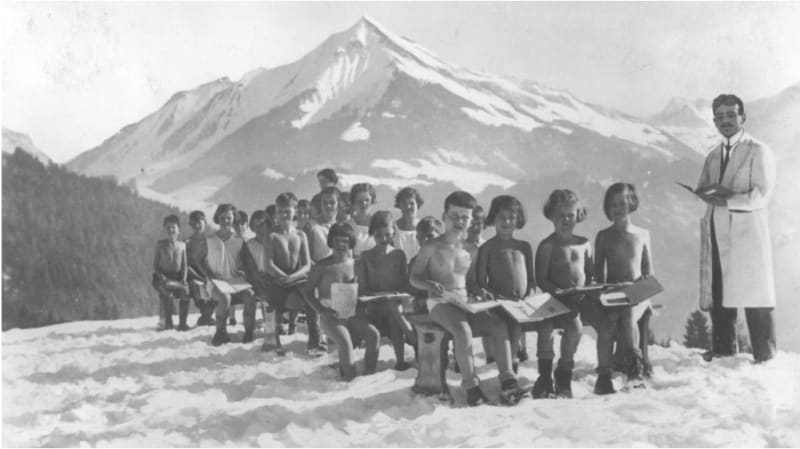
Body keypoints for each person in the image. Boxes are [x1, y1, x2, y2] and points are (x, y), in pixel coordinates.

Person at [410, 191, 525, 406]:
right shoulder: (432, 247)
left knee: (498, 325)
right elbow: (414, 277)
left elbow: (470, 282)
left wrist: (480, 292)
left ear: (472, 220)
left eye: (465, 217)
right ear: (444, 216)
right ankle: (471, 386)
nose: (459, 221)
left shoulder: (471, 249)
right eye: (454, 216)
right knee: (463, 331)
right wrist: (428, 285)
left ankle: (508, 381)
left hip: (464, 302)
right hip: (440, 303)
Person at [697, 94, 777, 363]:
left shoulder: (757, 150)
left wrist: (728, 200)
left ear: (743, 117)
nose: (725, 121)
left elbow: (762, 194)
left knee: (755, 292)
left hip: (747, 231)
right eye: (720, 117)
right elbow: (705, 185)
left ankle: (765, 354)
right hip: (718, 230)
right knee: (720, 290)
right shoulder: (712, 156)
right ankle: (723, 350)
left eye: (731, 115)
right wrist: (705, 194)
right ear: (714, 121)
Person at [588, 183, 653, 394]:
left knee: (627, 313)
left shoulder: (642, 234)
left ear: (631, 203)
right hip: (613, 293)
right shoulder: (603, 236)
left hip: (637, 293)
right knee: (611, 319)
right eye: (612, 204)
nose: (617, 208)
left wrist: (636, 288)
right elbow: (598, 275)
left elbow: (648, 273)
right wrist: (605, 290)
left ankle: (634, 370)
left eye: (622, 203)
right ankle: (604, 376)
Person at [302, 222, 381, 380]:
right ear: (330, 241)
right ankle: (348, 380)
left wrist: (362, 301)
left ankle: (369, 375)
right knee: (345, 343)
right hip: (331, 316)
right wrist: (322, 311)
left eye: (345, 241)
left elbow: (363, 290)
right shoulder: (322, 266)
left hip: (353, 314)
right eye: (337, 240)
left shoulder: (357, 264)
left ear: (351, 243)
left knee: (374, 335)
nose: (341, 245)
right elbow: (307, 292)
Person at [533, 189, 591, 399]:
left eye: (570, 214)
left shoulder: (584, 243)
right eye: (561, 215)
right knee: (545, 329)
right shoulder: (548, 245)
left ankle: (564, 372)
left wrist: (586, 291)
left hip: (576, 300)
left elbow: (589, 273)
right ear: (552, 216)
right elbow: (541, 278)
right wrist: (555, 291)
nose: (566, 219)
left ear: (578, 215)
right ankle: (545, 376)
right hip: (552, 300)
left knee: (575, 329)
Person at [472, 195, 532, 369]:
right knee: (510, 328)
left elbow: (532, 280)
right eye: (501, 217)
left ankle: (511, 364)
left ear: (518, 219)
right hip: (499, 304)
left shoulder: (524, 247)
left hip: (522, 304)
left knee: (519, 326)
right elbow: (481, 281)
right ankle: (507, 366)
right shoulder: (487, 248)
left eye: (511, 217)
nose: (506, 221)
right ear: (493, 218)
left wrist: (529, 294)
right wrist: (496, 297)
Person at [356, 211, 415, 370]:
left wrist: (399, 293)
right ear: (372, 235)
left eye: (387, 235)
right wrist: (375, 295)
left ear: (394, 233)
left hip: (395, 305)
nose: (383, 239)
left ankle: (401, 361)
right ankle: (413, 338)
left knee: (394, 317)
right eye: (378, 235)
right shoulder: (366, 257)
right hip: (374, 306)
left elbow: (404, 282)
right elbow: (362, 288)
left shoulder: (399, 255)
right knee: (392, 309)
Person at [205, 204, 257, 346]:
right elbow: (200, 261)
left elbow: (248, 263)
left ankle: (249, 332)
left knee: (250, 295)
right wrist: (210, 275)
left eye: (229, 218)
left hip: (235, 282)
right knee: (225, 298)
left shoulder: (239, 240)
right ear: (217, 218)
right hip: (216, 283)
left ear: (234, 219)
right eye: (222, 218)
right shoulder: (209, 239)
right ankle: (220, 333)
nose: (225, 221)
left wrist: (245, 274)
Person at [264, 193, 312, 341]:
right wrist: (282, 277)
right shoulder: (271, 236)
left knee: (310, 295)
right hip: (276, 278)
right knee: (274, 309)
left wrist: (292, 277)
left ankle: (308, 331)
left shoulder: (301, 235)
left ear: (295, 211)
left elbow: (307, 264)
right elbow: (268, 264)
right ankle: (276, 328)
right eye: (280, 211)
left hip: (296, 278)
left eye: (287, 211)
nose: (283, 215)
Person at [152, 214, 189, 331]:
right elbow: (155, 265)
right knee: (167, 293)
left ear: (179, 230)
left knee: (185, 293)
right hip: (163, 277)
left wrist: (184, 278)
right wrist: (161, 276)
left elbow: (185, 265)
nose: (171, 230)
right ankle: (168, 320)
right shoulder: (160, 245)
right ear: (164, 230)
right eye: (168, 228)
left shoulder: (182, 246)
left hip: (178, 277)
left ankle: (183, 323)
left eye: (173, 227)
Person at [185, 210, 216, 326]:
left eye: (199, 222)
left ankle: (207, 316)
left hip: (210, 273)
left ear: (205, 222)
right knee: (197, 285)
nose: (196, 226)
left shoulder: (212, 240)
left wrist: (210, 276)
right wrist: (200, 277)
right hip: (194, 274)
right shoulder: (187, 243)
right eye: (193, 224)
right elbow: (186, 265)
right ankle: (206, 315)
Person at [407, 216, 444, 314]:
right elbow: (412, 291)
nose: (426, 240)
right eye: (422, 237)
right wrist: (429, 286)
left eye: (430, 236)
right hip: (425, 308)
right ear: (418, 239)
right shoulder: (415, 262)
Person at [394, 187, 424, 260]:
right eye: (404, 203)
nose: (408, 207)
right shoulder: (393, 228)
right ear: (399, 205)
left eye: (411, 203)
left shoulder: (424, 227)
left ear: (418, 205)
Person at [349, 183, 377, 257]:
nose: (363, 203)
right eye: (359, 201)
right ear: (353, 203)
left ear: (372, 201)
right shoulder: (348, 225)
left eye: (367, 200)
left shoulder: (380, 224)